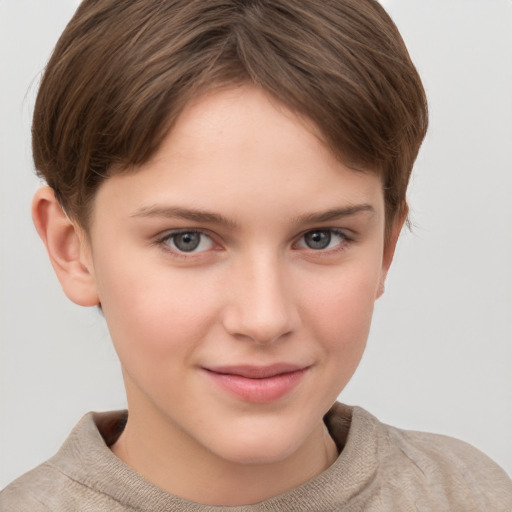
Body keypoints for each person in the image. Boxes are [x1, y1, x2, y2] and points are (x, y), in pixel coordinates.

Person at [1, 0, 511, 510]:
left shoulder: (471, 495)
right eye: (188, 240)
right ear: (73, 249)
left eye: (321, 237)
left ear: (386, 248)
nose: (264, 320)